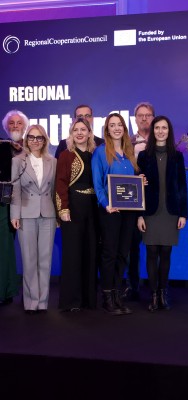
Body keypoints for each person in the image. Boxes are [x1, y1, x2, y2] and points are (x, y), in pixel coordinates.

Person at [137, 116, 188, 312]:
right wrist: (139, 215)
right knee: (151, 253)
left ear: (169, 131)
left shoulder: (177, 156)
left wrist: (183, 214)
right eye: (157, 127)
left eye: (164, 128)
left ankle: (163, 292)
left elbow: (182, 187)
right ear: (153, 131)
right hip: (150, 212)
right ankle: (153, 294)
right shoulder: (143, 156)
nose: (160, 131)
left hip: (171, 211)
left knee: (166, 253)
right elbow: (138, 189)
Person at [92, 113, 138, 316]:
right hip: (110, 211)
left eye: (120, 124)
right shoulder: (101, 152)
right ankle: (107, 296)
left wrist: (140, 182)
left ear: (124, 128)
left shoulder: (129, 152)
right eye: (112, 125)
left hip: (129, 211)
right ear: (107, 129)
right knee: (110, 254)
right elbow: (98, 183)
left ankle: (118, 294)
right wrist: (105, 204)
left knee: (123, 254)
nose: (117, 128)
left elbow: (132, 182)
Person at [10, 124, 57, 314]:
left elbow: (54, 190)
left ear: (44, 140)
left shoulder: (52, 161)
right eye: (31, 137)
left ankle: (43, 302)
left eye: (39, 138)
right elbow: (14, 189)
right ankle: (31, 302)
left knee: (45, 259)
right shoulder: (18, 161)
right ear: (26, 139)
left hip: (48, 213)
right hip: (26, 213)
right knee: (29, 259)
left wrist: (59, 213)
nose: (35, 141)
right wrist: (15, 214)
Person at [55, 117, 98, 312]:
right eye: (76, 130)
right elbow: (60, 184)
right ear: (71, 134)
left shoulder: (95, 154)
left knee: (90, 252)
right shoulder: (66, 155)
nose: (80, 133)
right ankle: (72, 301)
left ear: (90, 133)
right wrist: (63, 209)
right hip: (73, 208)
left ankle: (88, 300)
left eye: (83, 129)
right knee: (73, 254)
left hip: (92, 209)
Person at [122, 102, 155, 302]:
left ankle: (156, 288)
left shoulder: (162, 140)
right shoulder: (127, 143)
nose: (144, 118)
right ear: (135, 119)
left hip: (155, 201)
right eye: (140, 115)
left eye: (148, 115)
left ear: (154, 117)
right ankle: (132, 286)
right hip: (133, 201)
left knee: (155, 246)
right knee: (132, 247)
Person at [0, 110, 28, 306]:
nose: (16, 126)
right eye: (12, 123)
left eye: (19, 123)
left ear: (25, 127)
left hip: (29, 204)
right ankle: (6, 290)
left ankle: (30, 293)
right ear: (6, 127)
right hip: (4, 204)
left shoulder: (35, 145)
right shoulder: (1, 146)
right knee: (5, 248)